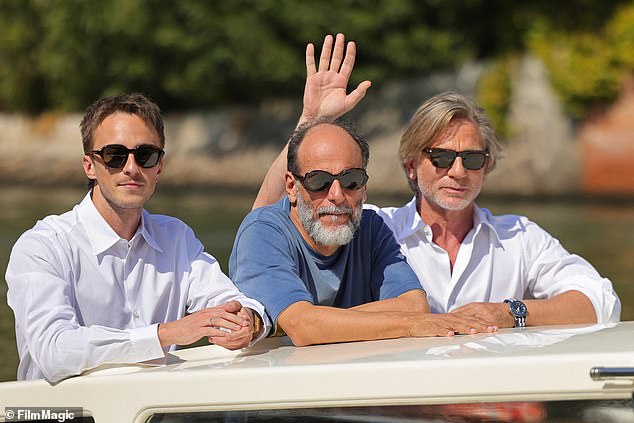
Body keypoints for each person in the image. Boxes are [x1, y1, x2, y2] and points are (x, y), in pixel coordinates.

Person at [253, 33, 621, 329]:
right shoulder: (372, 228)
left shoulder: (520, 238)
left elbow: (601, 302)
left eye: (472, 159)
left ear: (487, 166)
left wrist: (510, 313)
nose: (458, 171)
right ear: (411, 165)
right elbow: (271, 220)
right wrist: (310, 123)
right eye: (442, 157)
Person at [5, 93, 269, 382]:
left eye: (145, 155)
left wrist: (249, 321)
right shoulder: (42, 246)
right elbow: (54, 351)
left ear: (159, 166)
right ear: (89, 166)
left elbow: (229, 299)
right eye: (115, 155)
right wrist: (166, 333)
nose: (131, 167)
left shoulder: (176, 237)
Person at [229, 114, 495, 347]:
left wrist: (323, 321)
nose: (336, 195)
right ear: (291, 186)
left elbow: (415, 305)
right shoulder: (262, 233)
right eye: (319, 181)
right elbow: (303, 327)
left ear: (364, 188)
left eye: (351, 180)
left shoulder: (371, 227)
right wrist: (408, 325)